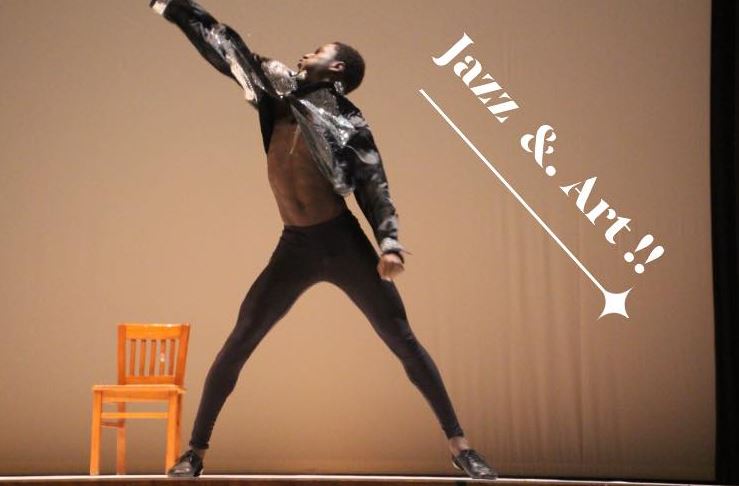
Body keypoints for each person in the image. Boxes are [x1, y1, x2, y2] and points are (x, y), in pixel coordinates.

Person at [147, 0, 498, 480]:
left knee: (402, 340)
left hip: (341, 243)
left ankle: (461, 447)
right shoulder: (275, 90)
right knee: (241, 337)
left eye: (316, 51)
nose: (304, 54)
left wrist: (389, 243)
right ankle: (195, 452)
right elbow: (224, 44)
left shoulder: (347, 120)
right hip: (295, 246)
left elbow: (374, 184)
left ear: (336, 68)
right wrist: (172, 6)